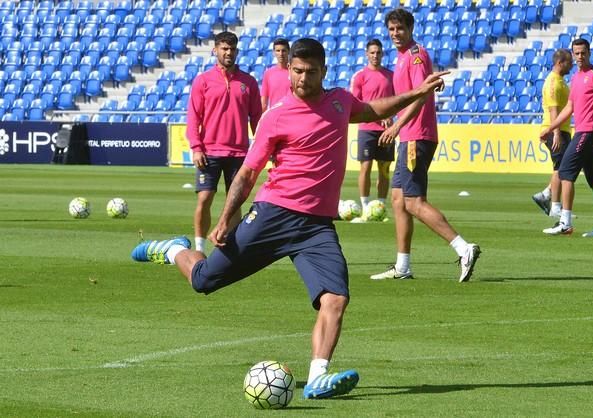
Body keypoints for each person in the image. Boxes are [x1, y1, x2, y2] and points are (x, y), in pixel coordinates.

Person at [132, 38, 449, 399]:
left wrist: (418, 92)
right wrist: (224, 219)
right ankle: (174, 250)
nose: (302, 78)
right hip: (273, 215)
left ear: (323, 72)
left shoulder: (339, 102)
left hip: (316, 227)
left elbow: (375, 110)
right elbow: (248, 174)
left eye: (310, 72)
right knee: (204, 281)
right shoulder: (276, 115)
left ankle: (317, 378)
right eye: (297, 71)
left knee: (336, 297)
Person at [371, 8, 480, 282]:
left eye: (400, 29)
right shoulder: (402, 57)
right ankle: (402, 266)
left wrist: (397, 125)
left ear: (410, 28)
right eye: (392, 30)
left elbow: (421, 95)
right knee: (398, 200)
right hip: (409, 134)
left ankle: (463, 248)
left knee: (413, 201)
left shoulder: (416, 56)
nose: (395, 34)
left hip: (415, 135)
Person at [186, 31, 262, 254]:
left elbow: (257, 118)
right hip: (209, 151)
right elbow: (193, 117)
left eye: (232, 49)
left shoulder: (248, 82)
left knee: (235, 202)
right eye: (224, 49)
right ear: (215, 50)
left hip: (240, 153)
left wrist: (262, 148)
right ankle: (199, 247)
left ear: (237, 51)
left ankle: (231, 248)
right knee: (205, 198)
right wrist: (196, 147)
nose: (228, 53)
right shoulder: (203, 81)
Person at [540, 38, 593, 237]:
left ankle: (565, 222)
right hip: (584, 132)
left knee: (565, 172)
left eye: (583, 53)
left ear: (589, 52)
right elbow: (569, 108)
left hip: (589, 131)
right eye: (576, 53)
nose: (579, 56)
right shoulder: (576, 78)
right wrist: (551, 128)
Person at [349, 39, 395, 222]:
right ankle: (365, 206)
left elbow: (398, 100)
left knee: (384, 169)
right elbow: (356, 104)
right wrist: (378, 115)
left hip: (386, 130)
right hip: (367, 128)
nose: (375, 56)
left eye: (378, 52)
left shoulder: (391, 76)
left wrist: (391, 115)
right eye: (372, 52)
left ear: (382, 54)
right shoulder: (360, 76)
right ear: (367, 54)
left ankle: (381, 206)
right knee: (365, 167)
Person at [532, 49, 573, 218]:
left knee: (564, 167)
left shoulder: (561, 81)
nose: (571, 65)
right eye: (569, 62)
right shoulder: (552, 83)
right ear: (559, 63)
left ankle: (546, 195)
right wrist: (555, 132)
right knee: (561, 168)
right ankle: (555, 206)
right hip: (555, 130)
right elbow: (552, 110)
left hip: (562, 129)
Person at [260, 38, 291, 112]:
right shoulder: (268, 73)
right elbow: (264, 102)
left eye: (283, 50)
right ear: (273, 53)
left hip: (291, 115)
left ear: (288, 51)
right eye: (278, 51)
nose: (281, 54)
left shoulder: (294, 72)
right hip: (274, 116)